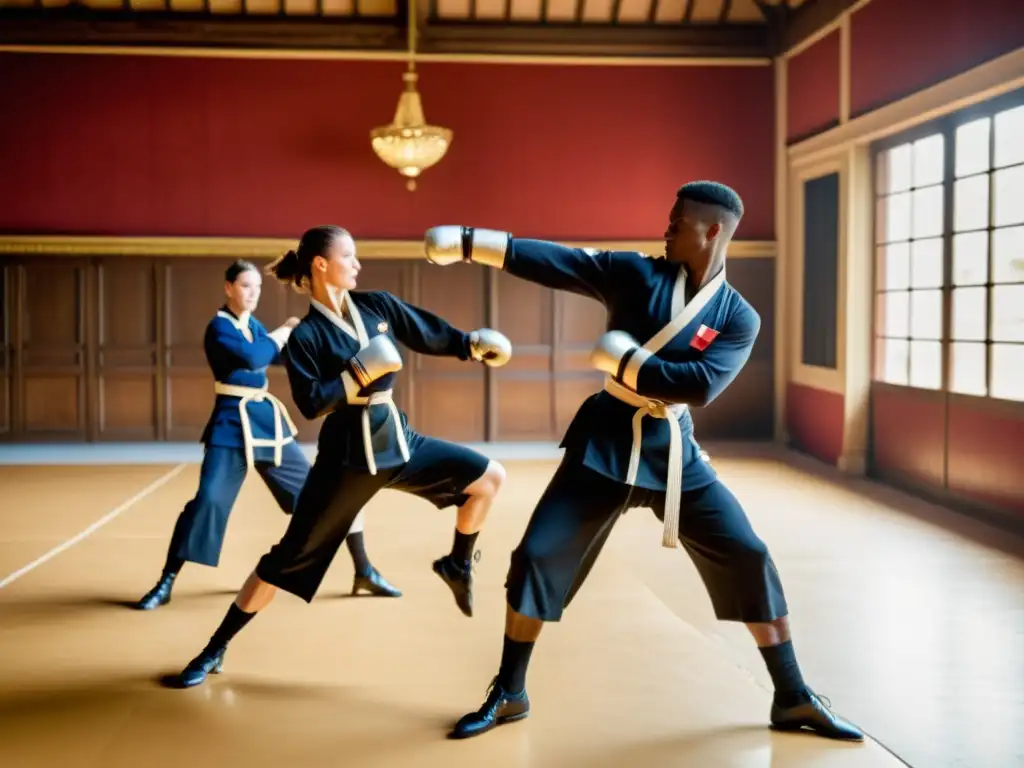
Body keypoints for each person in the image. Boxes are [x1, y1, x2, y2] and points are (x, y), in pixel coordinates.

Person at [423, 181, 864, 742]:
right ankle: (510, 691)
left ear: (711, 231)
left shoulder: (738, 317)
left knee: (748, 554)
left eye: (677, 222)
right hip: (604, 442)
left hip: (675, 452)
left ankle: (794, 696)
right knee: (537, 555)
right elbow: (559, 262)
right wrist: (469, 242)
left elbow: (701, 387)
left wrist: (628, 363)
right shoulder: (634, 274)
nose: (666, 228)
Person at [164, 225, 510, 688]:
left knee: (489, 478)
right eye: (349, 256)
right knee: (284, 560)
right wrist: (360, 372)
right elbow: (311, 402)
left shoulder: (378, 305)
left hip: (397, 440)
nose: (358, 264)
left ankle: (457, 564)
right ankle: (214, 647)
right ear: (321, 265)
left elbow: (425, 331)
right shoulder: (306, 336)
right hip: (345, 457)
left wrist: (470, 345)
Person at [136, 259, 399, 612]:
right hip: (230, 423)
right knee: (209, 500)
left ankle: (364, 570)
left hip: (265, 422)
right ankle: (166, 581)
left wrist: (317, 344)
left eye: (257, 288)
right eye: (245, 286)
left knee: (325, 494)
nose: (252, 293)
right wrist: (284, 332)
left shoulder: (256, 325)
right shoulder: (219, 327)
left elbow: (279, 358)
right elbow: (252, 356)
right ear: (229, 287)